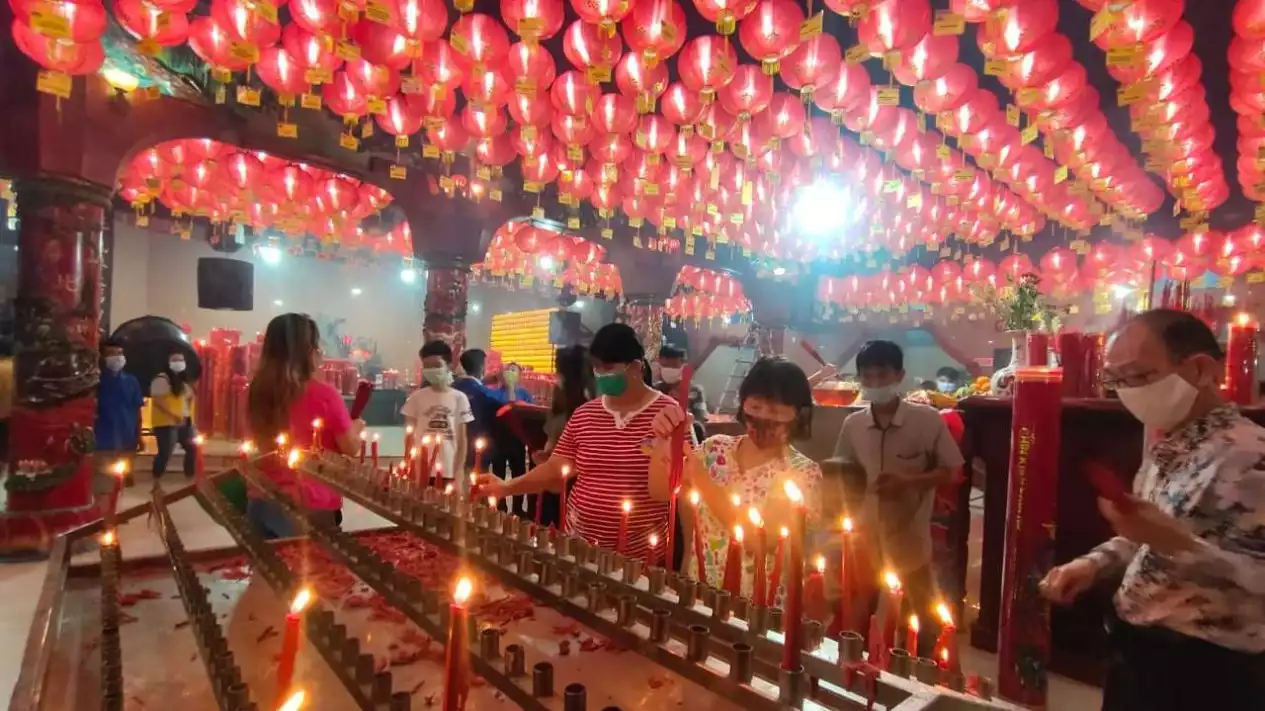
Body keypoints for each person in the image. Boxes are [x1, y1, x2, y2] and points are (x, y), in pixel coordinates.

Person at [1039, 309, 1265, 711]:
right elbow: (1144, 536)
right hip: (1139, 649)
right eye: (1117, 381)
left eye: (1139, 377)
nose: (1128, 392)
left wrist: (1178, 543)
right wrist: (1093, 564)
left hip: (1207, 669)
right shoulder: (1170, 448)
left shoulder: (1251, 456)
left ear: (1200, 370)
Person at [474, 323, 681, 561]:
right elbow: (555, 469)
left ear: (635, 367)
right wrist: (507, 487)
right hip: (580, 546)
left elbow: (677, 486)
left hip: (640, 555)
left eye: (608, 368)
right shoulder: (585, 414)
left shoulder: (667, 415)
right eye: (596, 368)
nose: (601, 375)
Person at [649, 357, 823, 604]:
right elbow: (659, 491)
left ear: (799, 414)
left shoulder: (802, 474)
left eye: (774, 411)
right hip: (701, 591)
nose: (763, 417)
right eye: (755, 406)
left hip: (760, 606)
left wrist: (700, 478)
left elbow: (758, 541)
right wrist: (665, 440)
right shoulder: (714, 450)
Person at [830, 340, 964, 653]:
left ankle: (921, 678)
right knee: (858, 615)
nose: (874, 384)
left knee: (920, 619)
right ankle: (857, 674)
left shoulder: (926, 420)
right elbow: (841, 471)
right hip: (864, 537)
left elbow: (953, 471)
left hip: (909, 538)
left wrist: (909, 482)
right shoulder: (853, 424)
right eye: (867, 377)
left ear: (899, 375)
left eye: (882, 375)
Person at [246, 313, 363, 538]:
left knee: (266, 569)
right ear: (308, 351)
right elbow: (350, 447)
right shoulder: (324, 394)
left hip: (260, 495)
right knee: (309, 572)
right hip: (307, 501)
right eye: (316, 346)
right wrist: (355, 427)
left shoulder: (258, 391)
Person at [401, 341, 473, 491]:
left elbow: (462, 440)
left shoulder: (459, 398)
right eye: (427, 366)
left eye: (436, 365)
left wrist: (458, 472)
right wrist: (410, 466)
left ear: (448, 365)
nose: (431, 370)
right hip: (422, 470)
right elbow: (409, 437)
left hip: (449, 468)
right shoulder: (416, 398)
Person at [94, 340, 143, 493]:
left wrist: (139, 436)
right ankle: (104, 514)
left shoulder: (131, 381)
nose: (117, 357)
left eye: (120, 353)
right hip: (102, 440)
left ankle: (117, 514)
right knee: (104, 484)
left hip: (127, 437)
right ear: (102, 357)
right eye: (111, 354)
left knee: (121, 482)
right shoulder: (96, 382)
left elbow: (137, 410)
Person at [489, 362, 536, 514]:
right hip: (498, 441)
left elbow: (530, 415)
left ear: (520, 376)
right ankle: (500, 508)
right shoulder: (494, 393)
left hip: (517, 442)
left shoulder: (525, 394)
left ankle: (517, 509)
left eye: (513, 370)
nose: (510, 372)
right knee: (498, 474)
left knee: (519, 475)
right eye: (507, 369)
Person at [150, 347, 198, 483]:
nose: (178, 362)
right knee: (166, 453)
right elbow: (158, 401)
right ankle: (156, 479)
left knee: (192, 448)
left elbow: (188, 399)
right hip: (166, 422)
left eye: (181, 360)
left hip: (184, 421)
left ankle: (190, 477)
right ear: (168, 362)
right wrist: (174, 415)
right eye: (175, 359)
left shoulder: (183, 381)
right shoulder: (161, 379)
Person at [453, 348, 503, 470]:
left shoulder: (453, 387)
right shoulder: (486, 393)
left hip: (453, 448)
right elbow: (505, 405)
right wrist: (506, 384)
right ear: (482, 367)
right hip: (477, 452)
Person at [654, 345, 708, 441]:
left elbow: (700, 421)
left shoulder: (695, 391)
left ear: (682, 366)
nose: (669, 370)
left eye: (673, 366)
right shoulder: (654, 391)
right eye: (665, 366)